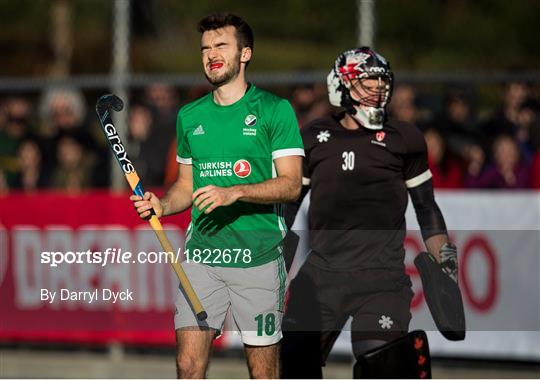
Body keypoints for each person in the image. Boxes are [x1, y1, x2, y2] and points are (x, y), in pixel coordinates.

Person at [130, 13, 303, 378]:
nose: (211, 54)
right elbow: (185, 186)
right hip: (202, 256)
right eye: (205, 48)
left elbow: (290, 183)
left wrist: (234, 192)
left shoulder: (275, 110)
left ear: (245, 54)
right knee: (188, 365)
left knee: (263, 371)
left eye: (221, 45)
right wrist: (163, 204)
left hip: (258, 258)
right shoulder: (190, 115)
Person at [281, 47, 458, 378]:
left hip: (382, 279)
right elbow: (289, 203)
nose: (378, 89)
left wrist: (444, 256)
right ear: (344, 86)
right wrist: (271, 255)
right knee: (289, 367)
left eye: (381, 81)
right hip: (320, 277)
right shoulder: (312, 137)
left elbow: (426, 206)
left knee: (383, 367)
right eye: (368, 82)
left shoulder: (404, 138)